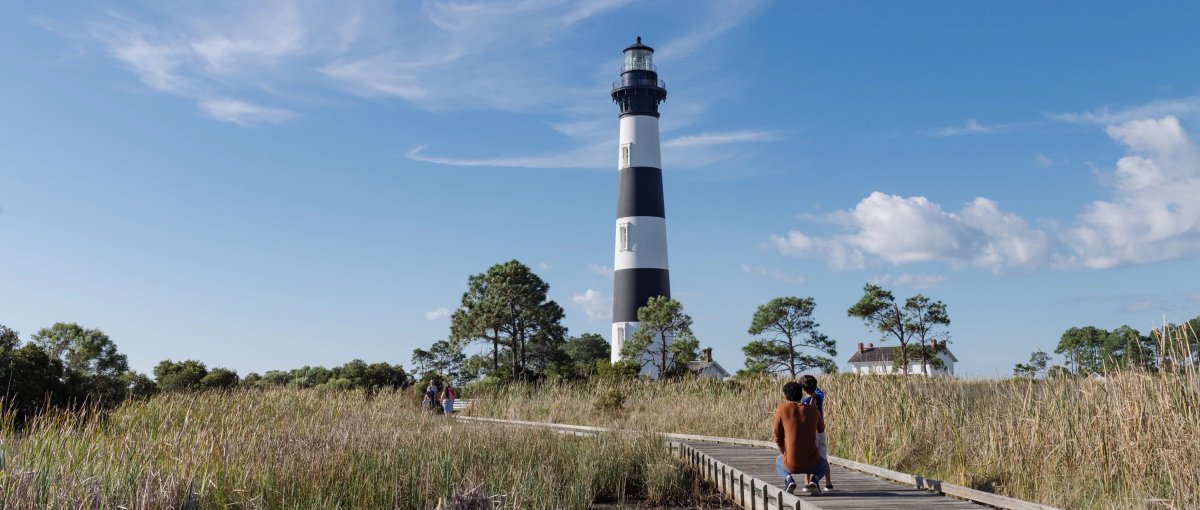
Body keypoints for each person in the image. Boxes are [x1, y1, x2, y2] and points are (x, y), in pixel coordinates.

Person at [773, 381, 828, 495]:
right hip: (812, 463)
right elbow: (821, 430)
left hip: (791, 464)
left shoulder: (782, 409)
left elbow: (777, 437)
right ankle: (814, 480)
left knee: (778, 462)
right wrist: (812, 412)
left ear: (786, 395)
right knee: (823, 463)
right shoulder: (813, 410)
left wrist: (784, 452)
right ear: (801, 394)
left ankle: (788, 480)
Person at [801, 375, 833, 491]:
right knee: (823, 457)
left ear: (803, 390)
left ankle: (806, 482)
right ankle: (828, 483)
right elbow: (820, 391)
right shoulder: (819, 397)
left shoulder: (803, 402)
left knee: (808, 457)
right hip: (820, 430)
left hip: (810, 432)